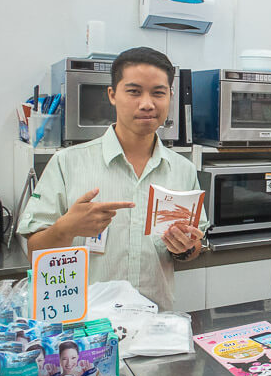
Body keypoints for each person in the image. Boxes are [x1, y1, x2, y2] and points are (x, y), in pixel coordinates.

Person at [18, 47, 207, 311]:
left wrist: (185, 247)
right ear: (112, 95)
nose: (147, 103)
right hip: (86, 330)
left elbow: (193, 247)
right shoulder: (68, 163)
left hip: (154, 322)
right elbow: (33, 253)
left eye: (158, 93)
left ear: (170, 97)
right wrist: (66, 228)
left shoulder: (182, 170)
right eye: (134, 91)